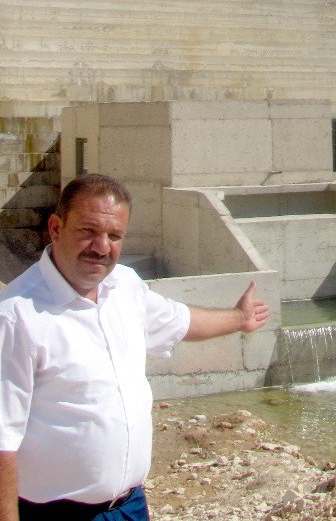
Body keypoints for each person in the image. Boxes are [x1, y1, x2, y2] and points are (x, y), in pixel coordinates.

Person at [0, 173, 269, 521]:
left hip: (130, 506)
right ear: (55, 228)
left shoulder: (124, 286)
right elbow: (2, 439)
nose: (102, 247)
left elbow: (179, 321)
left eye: (114, 236)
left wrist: (238, 318)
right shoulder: (16, 316)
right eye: (88, 231)